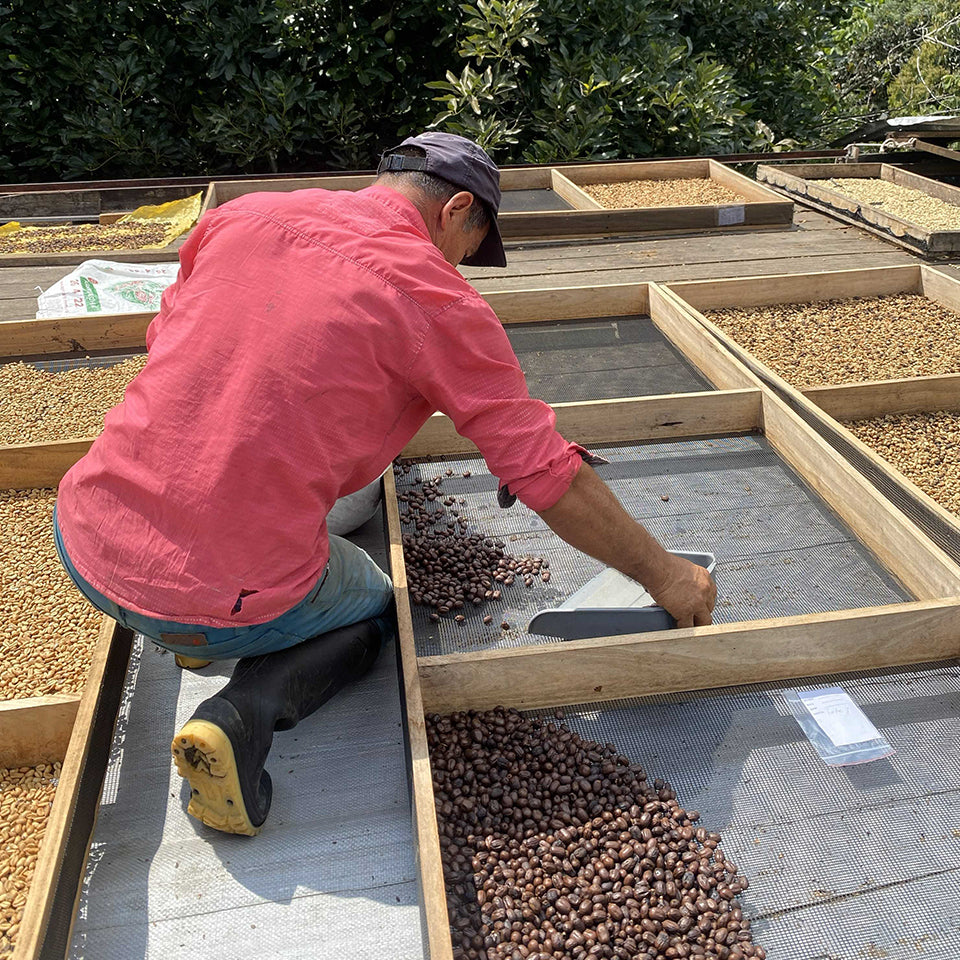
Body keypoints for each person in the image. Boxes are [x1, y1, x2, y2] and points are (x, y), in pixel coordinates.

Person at [54, 132, 716, 837]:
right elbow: (545, 472)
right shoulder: (435, 300)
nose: (460, 267)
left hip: (85, 538)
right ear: (456, 210)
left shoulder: (242, 215)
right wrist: (667, 575)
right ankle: (242, 711)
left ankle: (193, 632)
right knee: (377, 605)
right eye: (467, 248)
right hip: (220, 596)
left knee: (291, 497)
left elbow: (169, 339)